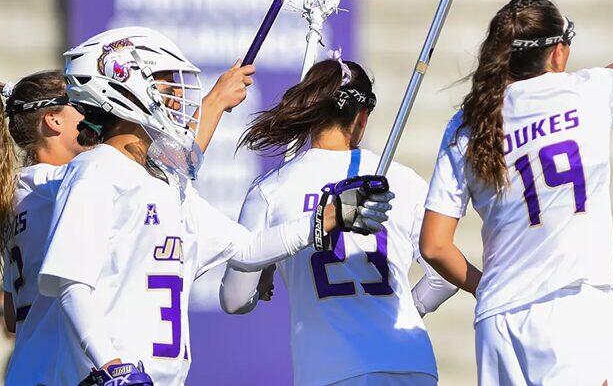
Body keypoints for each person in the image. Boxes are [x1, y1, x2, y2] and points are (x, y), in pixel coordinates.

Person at [37, 27, 392, 386]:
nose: (178, 95)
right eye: (165, 82)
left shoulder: (167, 186)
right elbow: (73, 285)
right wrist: (111, 367)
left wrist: (329, 216)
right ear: (121, 85)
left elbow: (249, 248)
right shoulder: (95, 170)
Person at [420, 0, 613, 385]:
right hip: (572, 311)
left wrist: (486, 287)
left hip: (497, 324)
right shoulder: (585, 92)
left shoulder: (466, 124)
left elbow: (434, 246)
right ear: (557, 53)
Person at [0, 62, 253, 384]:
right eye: (79, 105)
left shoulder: (21, 191)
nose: (92, 111)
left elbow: (11, 318)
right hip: (60, 374)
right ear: (52, 120)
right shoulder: (71, 179)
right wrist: (214, 102)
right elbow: (165, 173)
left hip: (26, 370)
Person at [220, 57, 457, 386]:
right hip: (412, 362)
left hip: (333, 369)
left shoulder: (271, 190)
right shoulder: (403, 179)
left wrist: (267, 262)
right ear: (362, 117)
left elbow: (235, 300)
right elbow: (444, 276)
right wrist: (408, 311)